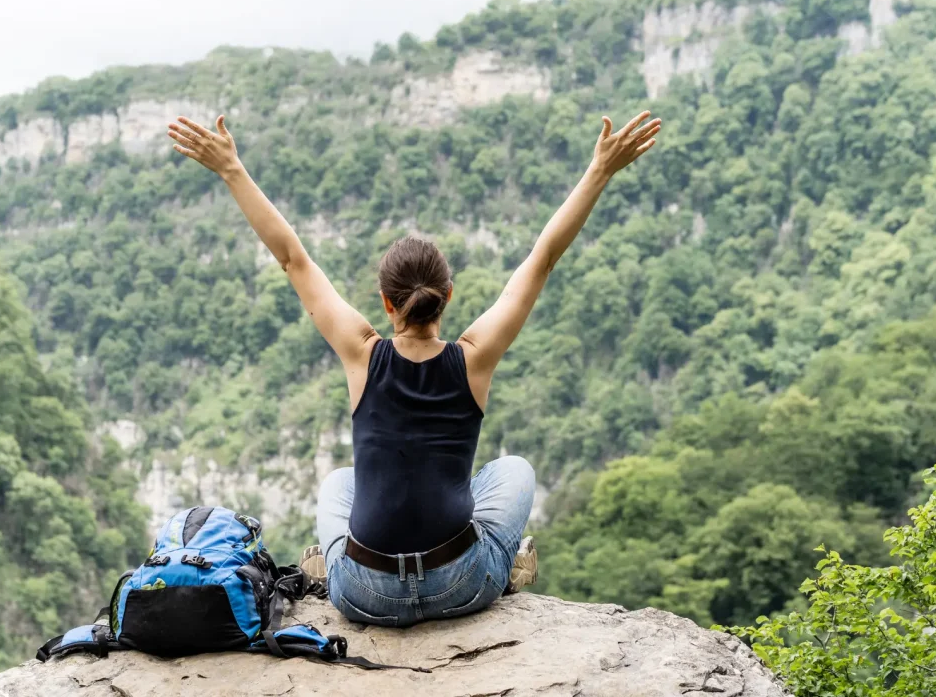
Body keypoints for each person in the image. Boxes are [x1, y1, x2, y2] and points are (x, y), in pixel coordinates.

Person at [167, 109, 660, 626]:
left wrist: (232, 170)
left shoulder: (362, 352)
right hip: (461, 585)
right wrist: (600, 170)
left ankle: (330, 568)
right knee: (513, 471)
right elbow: (542, 259)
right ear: (447, 297)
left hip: (364, 595)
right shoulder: (474, 357)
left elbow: (293, 258)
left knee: (339, 482)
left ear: (385, 303)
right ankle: (502, 567)